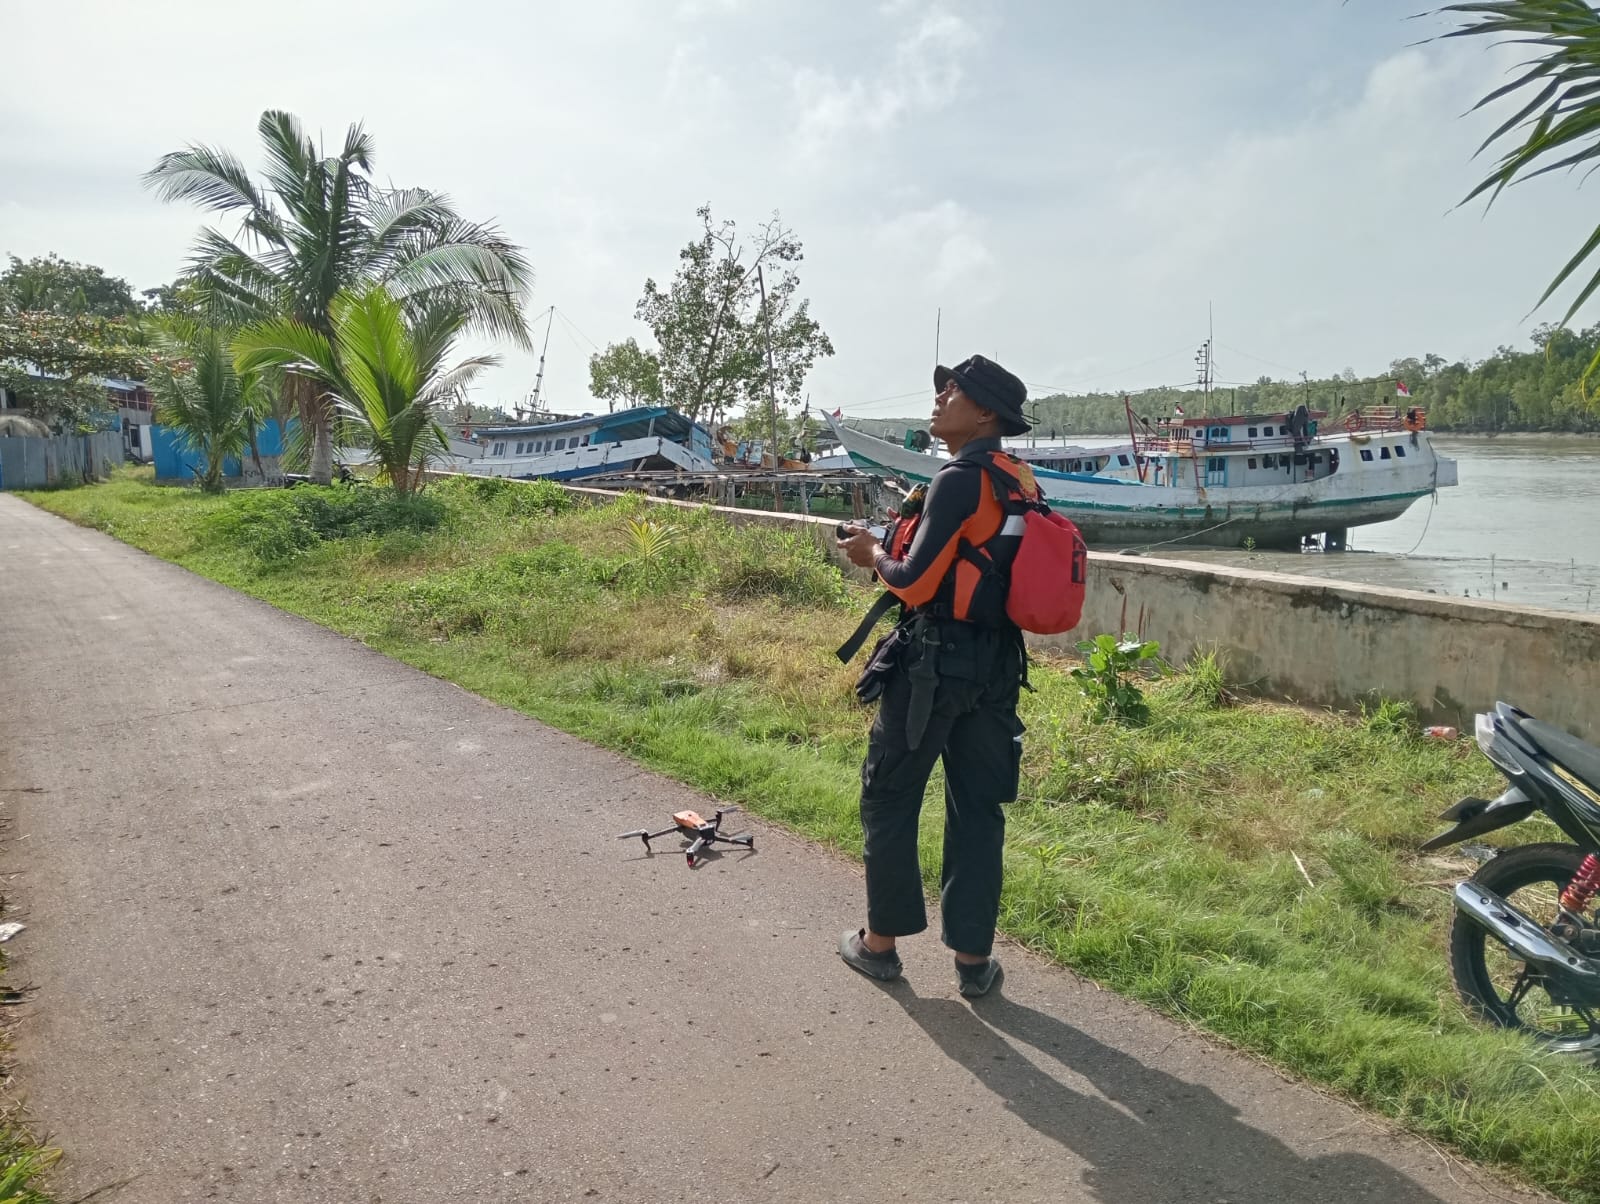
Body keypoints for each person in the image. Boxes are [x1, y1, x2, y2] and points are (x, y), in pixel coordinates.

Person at [834, 354, 1037, 999]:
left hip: (933, 667)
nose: (940, 397)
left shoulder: (957, 481)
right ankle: (973, 962)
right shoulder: (1019, 479)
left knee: (889, 794)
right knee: (978, 810)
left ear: (984, 414)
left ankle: (880, 945)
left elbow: (915, 581)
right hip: (999, 665)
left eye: (954, 390)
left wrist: (872, 555)